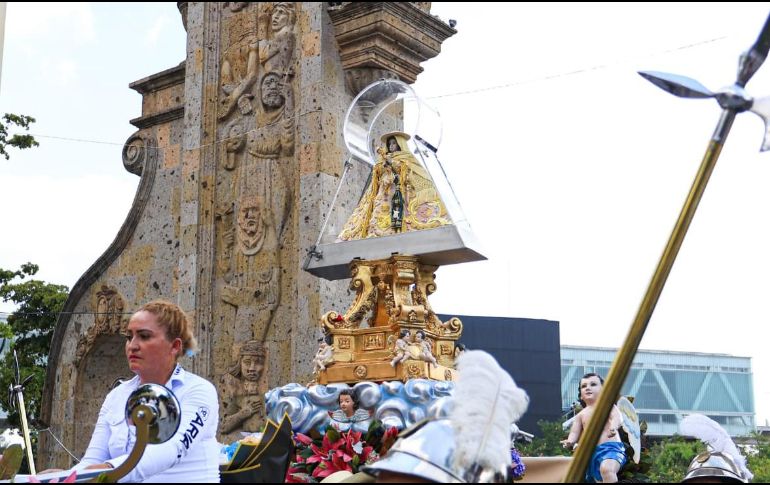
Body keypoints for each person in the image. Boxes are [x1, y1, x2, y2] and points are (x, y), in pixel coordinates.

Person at [75, 300, 220, 482]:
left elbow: (170, 450)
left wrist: (107, 470)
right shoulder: (116, 396)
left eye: (144, 336)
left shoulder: (198, 391)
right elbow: (93, 459)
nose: (132, 345)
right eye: (129, 337)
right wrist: (66, 477)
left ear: (175, 346)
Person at [337, 131, 452, 241]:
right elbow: (377, 174)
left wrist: (392, 164)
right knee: (379, 210)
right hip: (383, 192)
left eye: (394, 143)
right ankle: (375, 231)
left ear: (399, 144)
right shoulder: (383, 159)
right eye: (389, 144)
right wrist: (382, 166)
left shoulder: (407, 159)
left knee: (395, 211)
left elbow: (407, 171)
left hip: (398, 192)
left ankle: (394, 230)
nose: (391, 146)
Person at [560, 373, 625, 483]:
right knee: (597, 479)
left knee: (607, 470)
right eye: (584, 386)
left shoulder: (607, 406)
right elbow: (574, 432)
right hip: (591, 453)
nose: (588, 388)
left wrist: (613, 427)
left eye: (593, 384)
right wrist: (570, 441)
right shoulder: (580, 415)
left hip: (611, 448)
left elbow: (617, 417)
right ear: (581, 394)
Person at [220, 340, 267, 444]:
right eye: (247, 362)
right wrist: (245, 412)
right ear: (240, 362)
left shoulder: (267, 387)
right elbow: (223, 426)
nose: (252, 368)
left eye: (258, 363)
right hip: (239, 439)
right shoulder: (232, 385)